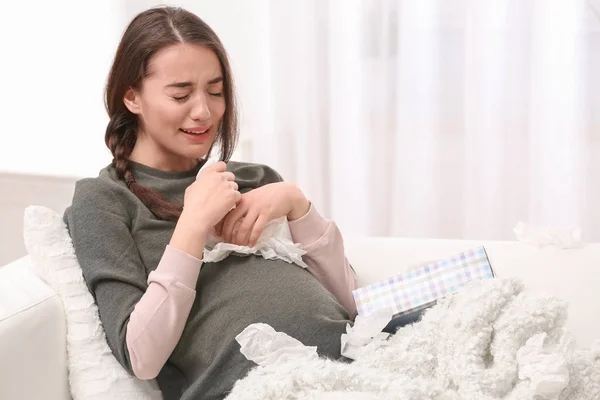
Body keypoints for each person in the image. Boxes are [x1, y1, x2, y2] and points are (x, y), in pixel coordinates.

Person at [63, 6, 358, 400]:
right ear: (131, 96)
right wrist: (193, 223)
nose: (204, 111)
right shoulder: (103, 200)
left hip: (358, 364)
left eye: (215, 92)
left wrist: (295, 202)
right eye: (180, 94)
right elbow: (141, 355)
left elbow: (353, 305)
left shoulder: (254, 179)